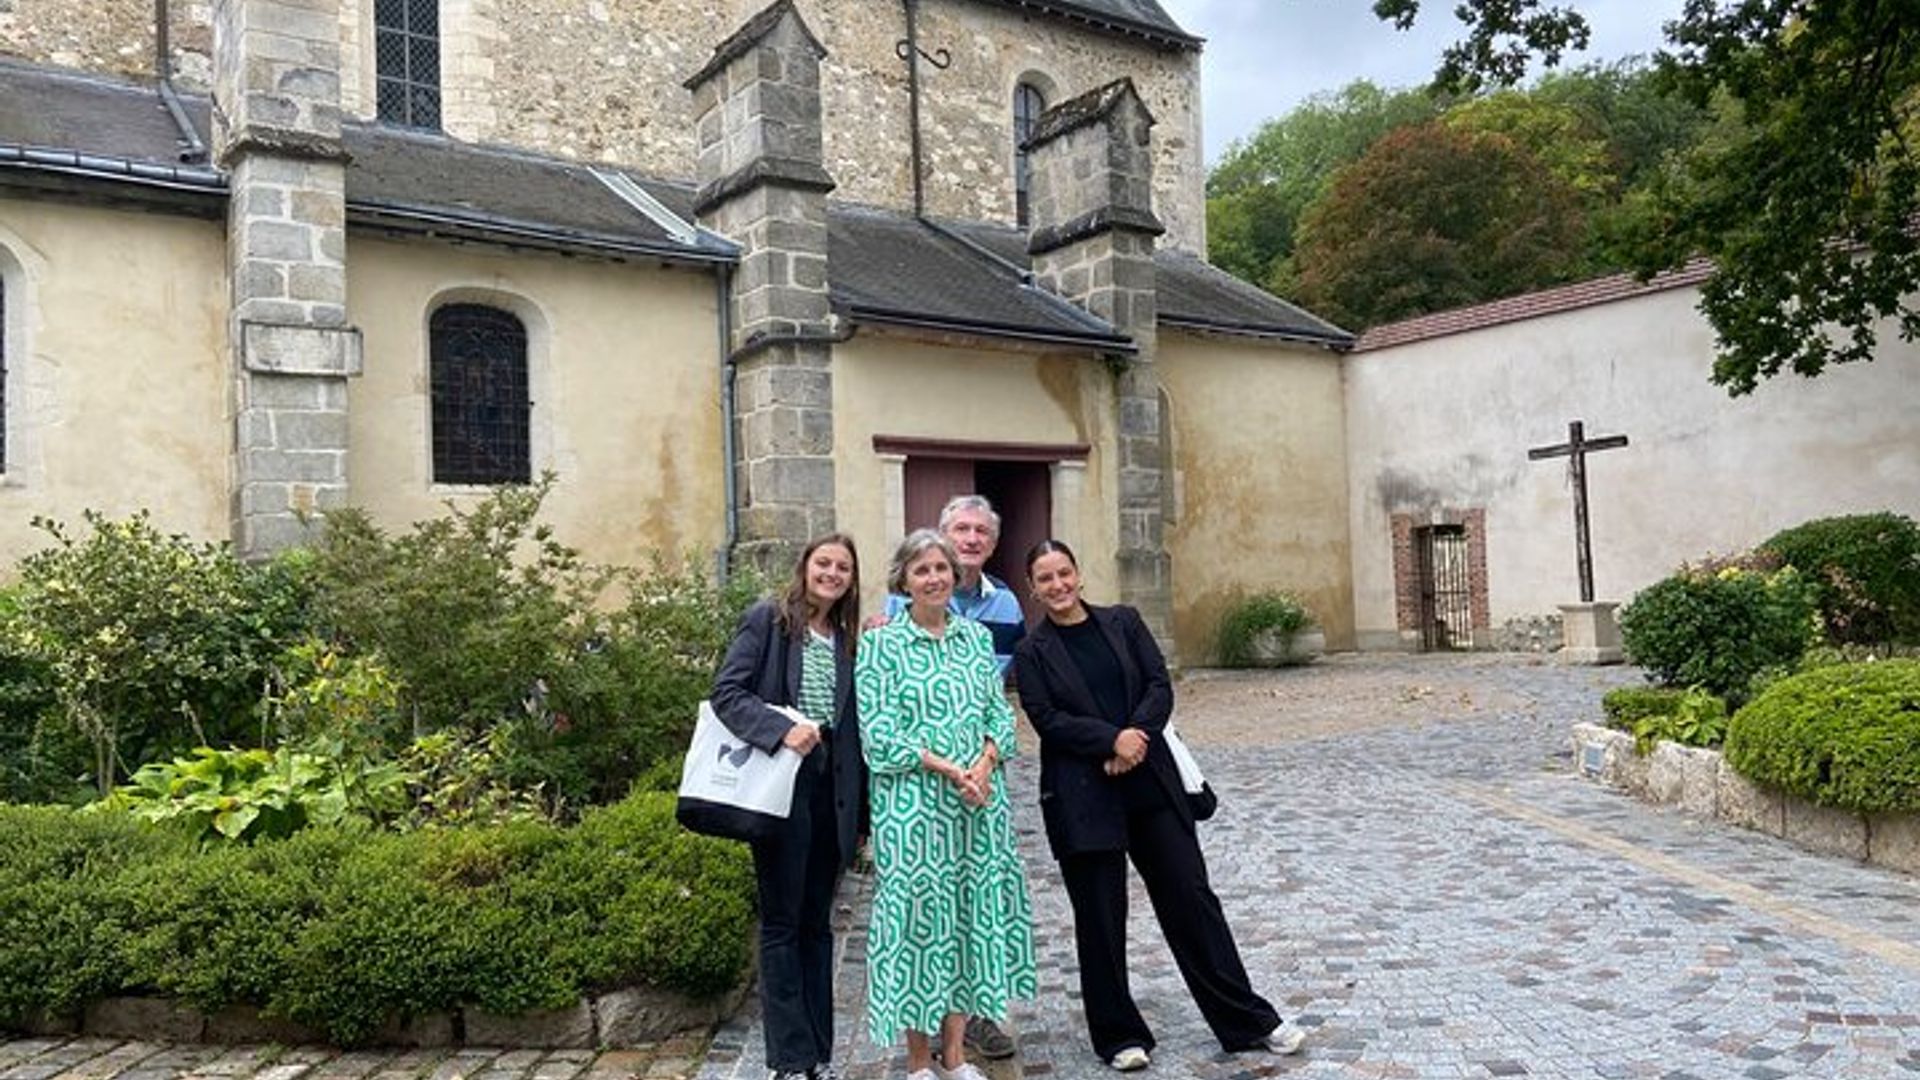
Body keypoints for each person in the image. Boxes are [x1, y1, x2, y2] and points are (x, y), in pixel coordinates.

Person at [1012, 539, 1306, 1071]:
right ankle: (1118, 1035)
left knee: (1192, 902)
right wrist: (1109, 741)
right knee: (1100, 917)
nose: (1057, 586)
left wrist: (1135, 739)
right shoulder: (1032, 654)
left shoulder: (1123, 622)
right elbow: (1046, 718)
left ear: (1079, 575)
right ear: (1032, 588)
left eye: (1064, 573)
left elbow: (1157, 683)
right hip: (1085, 796)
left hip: (1150, 786)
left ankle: (1247, 1021)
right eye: (1045, 579)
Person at [857, 528, 1036, 1080]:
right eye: (921, 570)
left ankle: (955, 1056)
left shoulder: (976, 639)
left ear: (955, 575)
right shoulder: (881, 644)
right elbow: (878, 736)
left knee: (965, 921)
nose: (933, 578)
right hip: (913, 808)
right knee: (917, 926)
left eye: (941, 568)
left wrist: (984, 763)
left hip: (977, 807)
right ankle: (917, 1063)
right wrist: (949, 768)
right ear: (903, 580)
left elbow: (999, 715)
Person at [709, 534, 866, 1080]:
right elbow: (727, 693)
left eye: (843, 567)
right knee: (781, 924)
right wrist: (782, 730)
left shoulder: (847, 637)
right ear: (804, 568)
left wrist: (862, 815)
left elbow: (852, 728)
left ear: (852, 578)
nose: (832, 573)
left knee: (817, 925)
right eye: (823, 562)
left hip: (833, 791)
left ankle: (819, 1054)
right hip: (781, 786)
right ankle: (790, 1060)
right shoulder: (768, 621)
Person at [881, 494, 1026, 679]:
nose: (972, 539)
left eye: (981, 531)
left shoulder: (1007, 603)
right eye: (962, 529)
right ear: (942, 538)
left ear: (993, 545)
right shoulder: (904, 599)